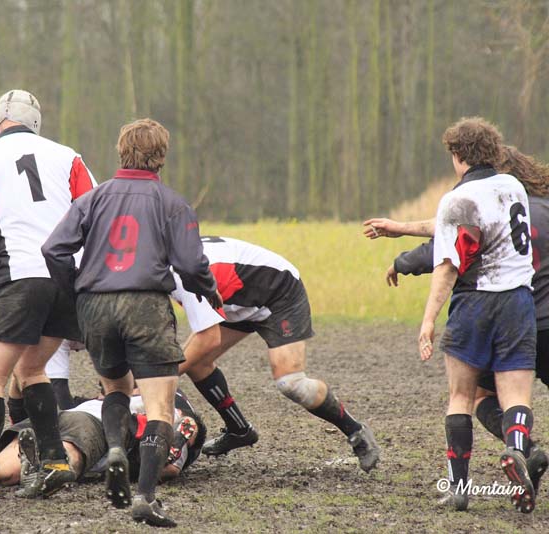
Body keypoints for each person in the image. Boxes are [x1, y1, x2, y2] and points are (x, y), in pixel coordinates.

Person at [43, 118, 221, 527]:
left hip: (95, 305)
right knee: (160, 405)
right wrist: (209, 289)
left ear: (121, 151)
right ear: (162, 155)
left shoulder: (93, 198)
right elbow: (190, 264)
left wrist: (76, 293)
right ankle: (145, 497)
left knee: (117, 390)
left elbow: (53, 249)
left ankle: (115, 449)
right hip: (145, 304)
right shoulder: (172, 203)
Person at [368, 144, 549, 504]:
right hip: (524, 314)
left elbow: (445, 251)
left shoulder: (478, 200)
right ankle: (519, 449)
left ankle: (483, 475)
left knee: (471, 395)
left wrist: (403, 264)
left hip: (502, 311)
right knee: (517, 396)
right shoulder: (533, 205)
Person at [0, 89, 96, 502]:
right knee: (32, 370)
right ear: (36, 123)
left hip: (19, 276)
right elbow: (95, 215)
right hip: (65, 279)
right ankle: (55, 461)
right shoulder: (69, 157)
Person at [169, 236, 380, 472]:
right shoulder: (160, 264)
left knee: (292, 383)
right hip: (235, 297)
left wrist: (161, 378)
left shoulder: (183, 272)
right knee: (197, 362)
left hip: (278, 292)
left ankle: (356, 432)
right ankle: (239, 430)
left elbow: (207, 339)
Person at [0, 390, 205, 491]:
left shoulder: (142, 396)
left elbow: (184, 433)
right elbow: (175, 454)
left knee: (0, 473)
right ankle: (40, 465)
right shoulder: (167, 404)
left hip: (59, 416)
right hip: (93, 426)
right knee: (65, 462)